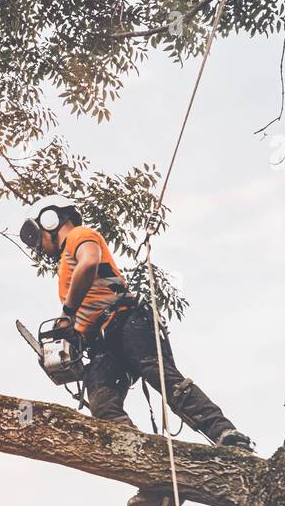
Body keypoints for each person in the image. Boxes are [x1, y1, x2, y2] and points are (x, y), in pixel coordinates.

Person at [19, 194, 255, 456]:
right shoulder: (64, 270)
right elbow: (85, 312)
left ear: (50, 220)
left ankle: (223, 432)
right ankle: (147, 461)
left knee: (160, 376)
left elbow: (89, 263)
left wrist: (68, 312)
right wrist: (70, 348)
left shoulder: (79, 235)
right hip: (102, 342)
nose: (38, 245)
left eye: (37, 236)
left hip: (127, 320)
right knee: (102, 405)